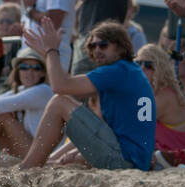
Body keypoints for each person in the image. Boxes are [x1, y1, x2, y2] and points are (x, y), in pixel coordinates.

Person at [18, 18, 154, 171]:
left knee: (59, 103)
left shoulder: (117, 71)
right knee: (71, 158)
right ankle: (37, 163)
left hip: (126, 161)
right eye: (92, 45)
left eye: (103, 45)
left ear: (121, 47)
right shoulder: (129, 71)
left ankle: (27, 167)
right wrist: (48, 53)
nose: (97, 50)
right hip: (134, 159)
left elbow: (60, 86)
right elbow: (67, 85)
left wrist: (51, 50)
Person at [136, 44, 185, 167]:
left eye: (148, 65)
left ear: (160, 68)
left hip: (172, 158)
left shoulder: (166, 95)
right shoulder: (151, 92)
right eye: (137, 63)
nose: (141, 68)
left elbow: (135, 122)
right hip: (160, 156)